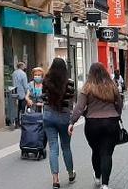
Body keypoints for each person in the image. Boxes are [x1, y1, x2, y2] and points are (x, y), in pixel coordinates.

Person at [70, 63, 123, 189]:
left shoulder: (87, 87)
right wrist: (117, 114)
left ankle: (98, 176)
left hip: (92, 124)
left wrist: (72, 122)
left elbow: (79, 107)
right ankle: (105, 184)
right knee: (107, 153)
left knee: (96, 151)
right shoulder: (112, 85)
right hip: (111, 123)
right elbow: (119, 103)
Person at [41, 58, 76, 189]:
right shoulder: (70, 82)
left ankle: (55, 179)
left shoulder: (46, 81)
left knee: (53, 148)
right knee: (66, 147)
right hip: (64, 117)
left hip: (49, 116)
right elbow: (72, 100)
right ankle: (71, 173)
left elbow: (43, 98)